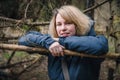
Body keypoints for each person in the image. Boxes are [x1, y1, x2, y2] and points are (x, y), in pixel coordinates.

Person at [18, 5, 108, 80]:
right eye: (59, 24)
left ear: (78, 24)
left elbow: (101, 46)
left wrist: (61, 41)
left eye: (68, 23)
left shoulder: (91, 43)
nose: (63, 28)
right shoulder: (52, 43)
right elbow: (24, 39)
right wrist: (48, 42)